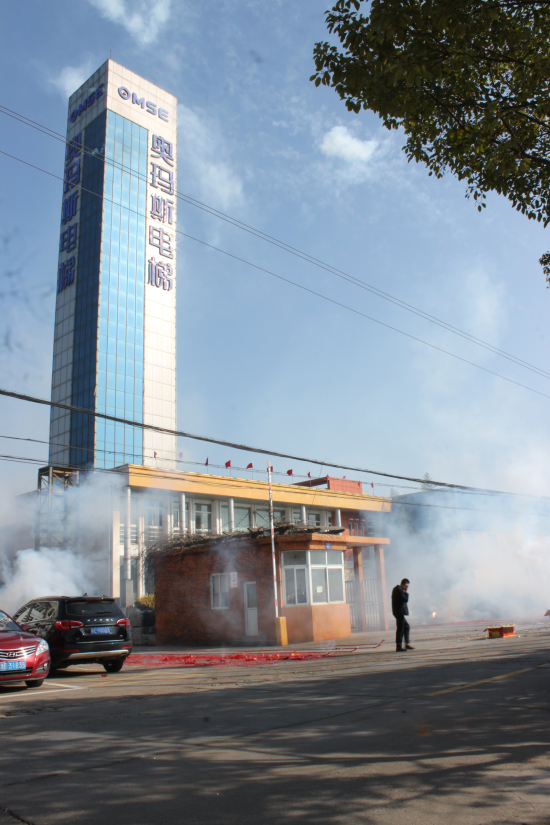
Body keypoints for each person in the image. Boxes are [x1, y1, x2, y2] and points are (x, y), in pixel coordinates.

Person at [391, 578, 414, 652]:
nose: (407, 588)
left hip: (398, 612)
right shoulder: (399, 590)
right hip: (399, 612)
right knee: (400, 628)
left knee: (406, 626)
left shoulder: (396, 589)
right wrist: (406, 592)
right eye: (407, 587)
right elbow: (405, 600)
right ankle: (399, 646)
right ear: (404, 585)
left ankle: (406, 644)